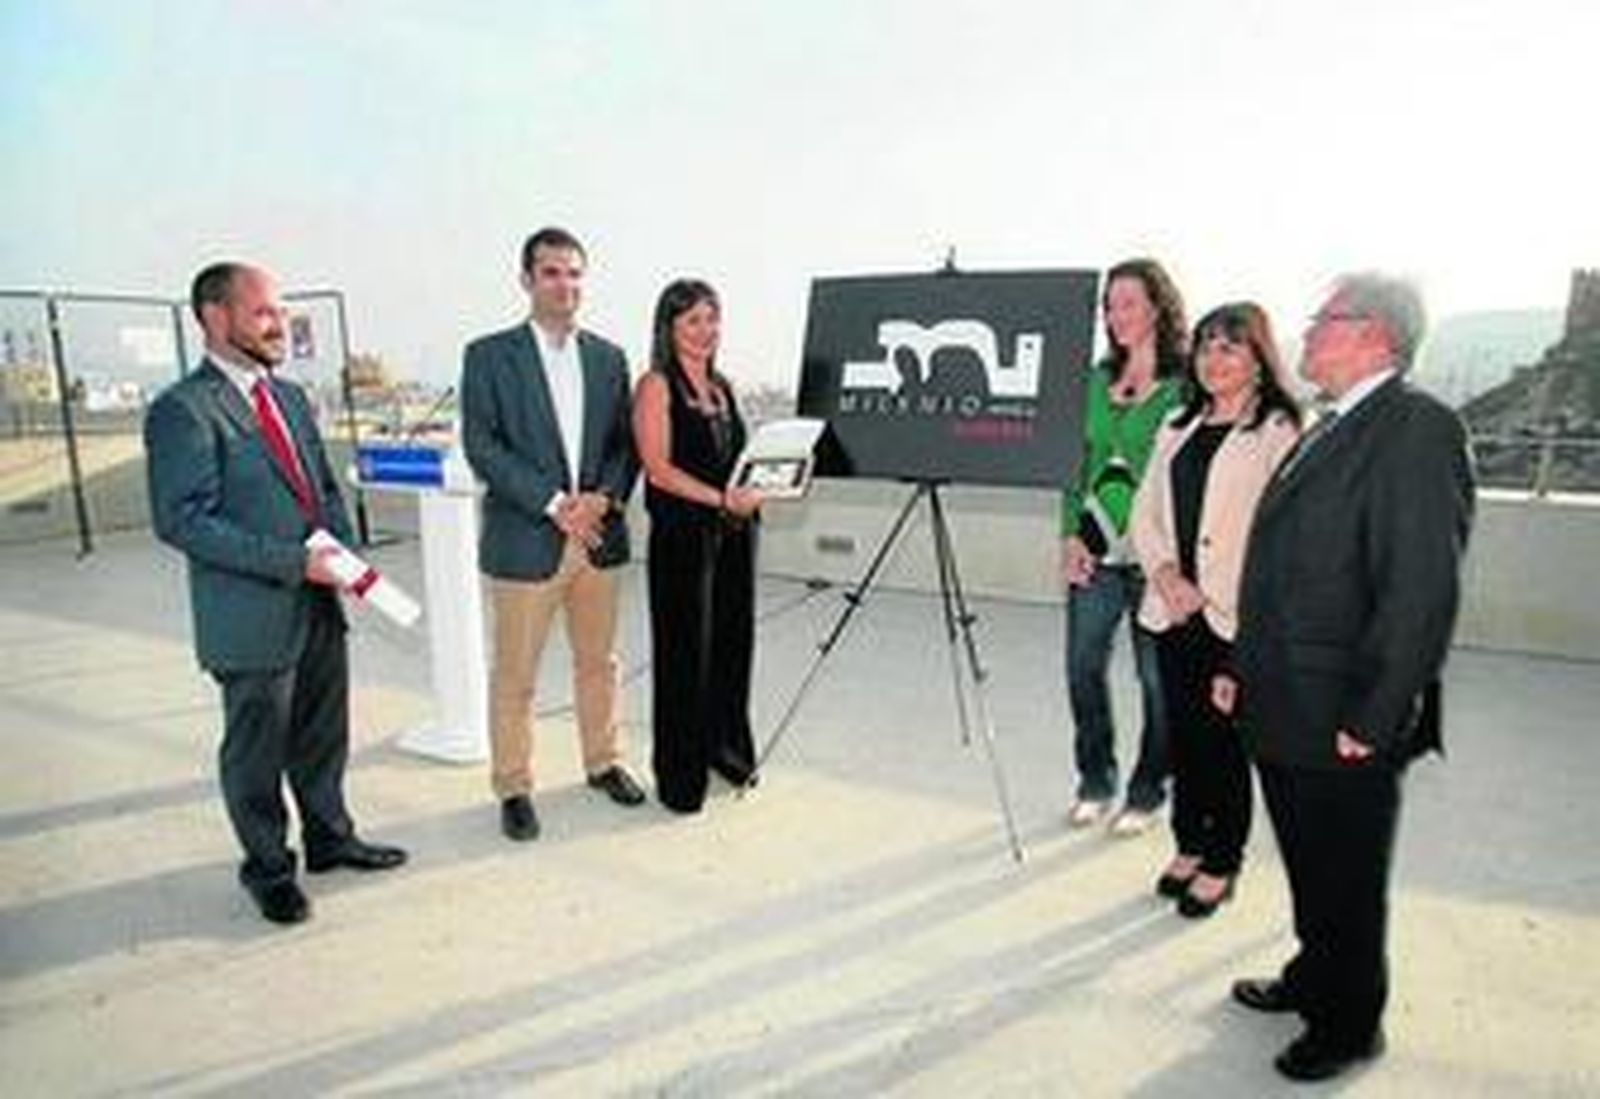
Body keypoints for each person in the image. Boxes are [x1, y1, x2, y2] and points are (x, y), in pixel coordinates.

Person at [1225, 273, 1475, 1082]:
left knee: (1347, 873)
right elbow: (1283, 569)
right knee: (1309, 858)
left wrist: (1374, 715)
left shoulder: (1416, 428)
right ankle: (1315, 973)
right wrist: (1241, 666)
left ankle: (1348, 1021)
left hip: (1344, 711)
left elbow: (1420, 591)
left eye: (1323, 320)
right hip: (1286, 699)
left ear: (1374, 333)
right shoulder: (1329, 426)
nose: (1307, 332)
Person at [144, 262, 406, 925]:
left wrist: (344, 557)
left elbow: (319, 488)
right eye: (263, 313)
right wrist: (296, 561)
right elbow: (184, 520)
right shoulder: (182, 410)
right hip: (250, 616)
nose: (278, 326)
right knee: (256, 751)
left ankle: (330, 838)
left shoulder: (288, 397)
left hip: (319, 600)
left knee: (323, 732)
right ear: (215, 315)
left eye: (281, 314)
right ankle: (268, 868)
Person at [460, 227, 644, 842]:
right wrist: (553, 504)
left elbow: (624, 444)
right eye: (551, 273)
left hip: (596, 539)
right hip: (526, 539)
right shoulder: (488, 356)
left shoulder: (608, 357)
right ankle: (513, 785)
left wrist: (605, 498)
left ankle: (603, 762)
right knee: (515, 674)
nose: (565, 285)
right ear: (526, 280)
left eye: (574, 273)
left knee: (600, 662)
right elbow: (482, 444)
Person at [1129, 303, 1301, 919]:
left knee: (1223, 743)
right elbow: (1144, 514)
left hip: (1236, 619)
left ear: (1258, 359)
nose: (1213, 358)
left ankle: (1222, 859)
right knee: (1182, 734)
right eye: (1205, 346)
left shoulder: (1276, 432)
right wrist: (1168, 575)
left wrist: (1225, 614)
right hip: (1173, 610)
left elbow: (1283, 539)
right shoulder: (1176, 426)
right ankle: (1189, 842)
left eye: (1230, 347)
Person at [1060, 258, 1188, 834]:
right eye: (1109, 305)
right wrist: (1068, 534)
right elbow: (1075, 463)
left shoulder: (1188, 386)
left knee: (1158, 684)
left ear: (1158, 307)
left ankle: (1148, 789)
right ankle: (1095, 779)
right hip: (1094, 553)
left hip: (1157, 558)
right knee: (1082, 668)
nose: (1115, 316)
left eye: (1128, 302)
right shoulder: (1091, 380)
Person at [633, 279, 763, 813]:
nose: (706, 331)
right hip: (684, 539)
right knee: (685, 655)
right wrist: (720, 498)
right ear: (669, 327)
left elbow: (738, 459)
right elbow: (658, 471)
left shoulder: (724, 386)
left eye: (713, 318)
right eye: (693, 321)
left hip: (733, 535)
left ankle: (726, 750)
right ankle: (681, 776)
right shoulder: (655, 385)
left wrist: (760, 489)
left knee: (732, 647)